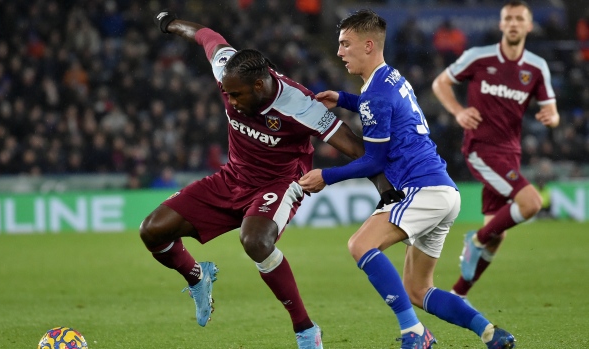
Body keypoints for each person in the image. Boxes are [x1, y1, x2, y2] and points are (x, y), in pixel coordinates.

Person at [141, 9, 399, 349]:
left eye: (236, 96)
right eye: (227, 94)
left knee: (256, 242)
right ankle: (197, 277)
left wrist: (385, 188)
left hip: (279, 184)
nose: (229, 101)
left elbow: (352, 145)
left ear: (260, 86)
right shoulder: (227, 70)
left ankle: (306, 330)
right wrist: (170, 23)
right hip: (231, 177)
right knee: (153, 231)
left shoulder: (299, 104)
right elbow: (206, 35)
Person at [299, 9, 516, 349]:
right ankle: (491, 333)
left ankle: (415, 333)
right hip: (444, 191)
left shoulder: (376, 95)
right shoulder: (391, 78)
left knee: (360, 246)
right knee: (418, 289)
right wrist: (343, 99)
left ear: (368, 45)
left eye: (345, 44)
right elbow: (381, 109)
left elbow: (374, 160)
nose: (339, 52)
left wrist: (326, 176)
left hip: (421, 189)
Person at [432, 0, 559, 305]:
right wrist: (458, 112)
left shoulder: (536, 67)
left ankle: (458, 294)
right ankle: (474, 239)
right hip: (481, 149)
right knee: (530, 202)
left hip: (510, 152)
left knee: (498, 234)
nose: (514, 23)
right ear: (501, 25)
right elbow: (441, 83)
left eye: (520, 19)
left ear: (529, 26)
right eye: (509, 18)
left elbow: (552, 112)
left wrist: (550, 118)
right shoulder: (479, 57)